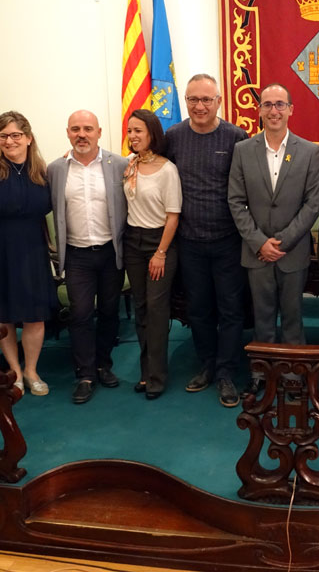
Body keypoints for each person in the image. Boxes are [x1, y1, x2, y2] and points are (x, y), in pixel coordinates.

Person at [228, 83, 319, 398]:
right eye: (268, 104)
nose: (274, 111)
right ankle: (260, 374)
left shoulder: (309, 151)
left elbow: (313, 204)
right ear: (259, 110)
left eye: (280, 104)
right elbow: (235, 201)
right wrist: (259, 242)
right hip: (256, 253)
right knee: (262, 316)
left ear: (291, 109)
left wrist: (281, 242)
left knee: (293, 316)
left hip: (292, 252)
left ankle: (295, 376)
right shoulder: (243, 150)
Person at [165, 74, 248, 407]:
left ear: (219, 102)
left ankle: (227, 372)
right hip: (189, 242)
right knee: (198, 309)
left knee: (230, 309)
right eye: (193, 99)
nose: (199, 106)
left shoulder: (236, 137)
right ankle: (207, 365)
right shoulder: (172, 137)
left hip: (228, 240)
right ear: (185, 101)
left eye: (206, 100)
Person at [48, 110, 127, 404]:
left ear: (99, 132)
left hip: (110, 252)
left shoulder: (118, 164)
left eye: (88, 129)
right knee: (80, 314)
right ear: (68, 132)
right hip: (77, 255)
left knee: (109, 312)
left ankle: (104, 365)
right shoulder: (56, 169)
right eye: (76, 129)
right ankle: (84, 374)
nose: (82, 134)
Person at [0, 111, 58, 397]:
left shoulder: (42, 170)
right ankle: (13, 370)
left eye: (15, 135)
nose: (9, 141)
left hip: (34, 250)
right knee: (5, 316)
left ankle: (31, 370)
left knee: (36, 316)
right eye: (3, 136)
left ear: (28, 137)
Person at [123, 109, 181, 400]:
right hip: (133, 241)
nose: (133, 136)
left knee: (157, 310)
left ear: (152, 134)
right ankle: (144, 373)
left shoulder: (166, 169)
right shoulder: (130, 165)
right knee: (141, 308)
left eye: (139, 131)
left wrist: (160, 253)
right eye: (130, 130)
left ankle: (157, 376)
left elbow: (173, 216)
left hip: (160, 243)